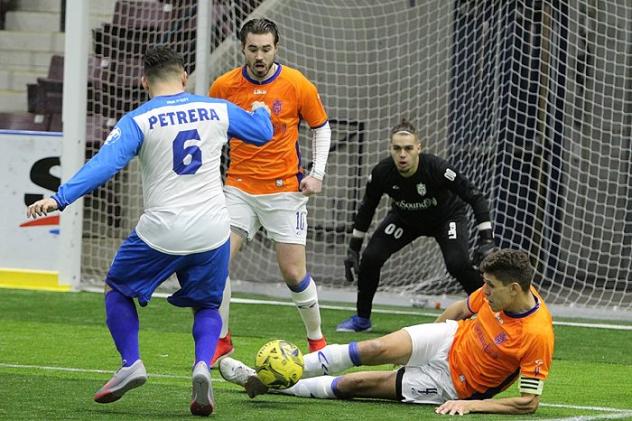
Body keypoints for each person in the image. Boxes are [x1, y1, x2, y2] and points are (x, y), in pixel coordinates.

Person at [26, 45, 273, 416]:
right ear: (184, 76)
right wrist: (260, 108)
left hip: (162, 230)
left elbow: (104, 165)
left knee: (117, 288)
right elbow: (262, 133)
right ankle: (202, 365)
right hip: (212, 229)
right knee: (208, 303)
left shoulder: (138, 120)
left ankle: (132, 363)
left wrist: (60, 198)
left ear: (144, 82)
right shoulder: (217, 109)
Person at [219, 249, 555, 416]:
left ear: (514, 289)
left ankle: (262, 382)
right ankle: (265, 376)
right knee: (376, 348)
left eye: (492, 287)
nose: (486, 291)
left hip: (453, 384)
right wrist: (423, 344)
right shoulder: (495, 292)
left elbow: (529, 403)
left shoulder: (536, 334)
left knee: (354, 384)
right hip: (448, 338)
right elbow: (457, 311)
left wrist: (470, 407)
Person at [208, 18, 332, 365]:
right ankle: (221, 340)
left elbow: (321, 128)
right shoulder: (223, 86)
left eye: (266, 49)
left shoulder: (296, 83)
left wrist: (317, 173)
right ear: (243, 49)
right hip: (239, 189)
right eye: (252, 49)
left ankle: (317, 340)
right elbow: (211, 134)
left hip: (284, 191)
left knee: (293, 273)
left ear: (276, 48)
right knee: (214, 262)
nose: (259, 56)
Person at [336, 118, 496, 332]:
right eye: (397, 148)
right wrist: (353, 247)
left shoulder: (437, 168)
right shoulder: (382, 173)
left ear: (418, 148)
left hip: (446, 217)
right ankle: (362, 319)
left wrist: (487, 239)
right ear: (390, 149)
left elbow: (475, 197)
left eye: (408, 148)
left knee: (457, 263)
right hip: (406, 219)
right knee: (371, 258)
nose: (403, 154)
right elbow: (367, 208)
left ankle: (492, 315)